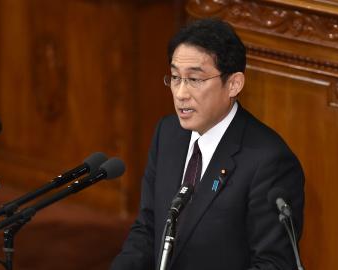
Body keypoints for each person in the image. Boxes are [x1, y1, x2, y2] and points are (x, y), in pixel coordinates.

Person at [111, 18, 305, 270]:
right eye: (175, 78)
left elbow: (274, 264)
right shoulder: (167, 134)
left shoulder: (268, 160)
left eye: (195, 80)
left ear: (234, 84)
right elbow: (148, 228)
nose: (181, 93)